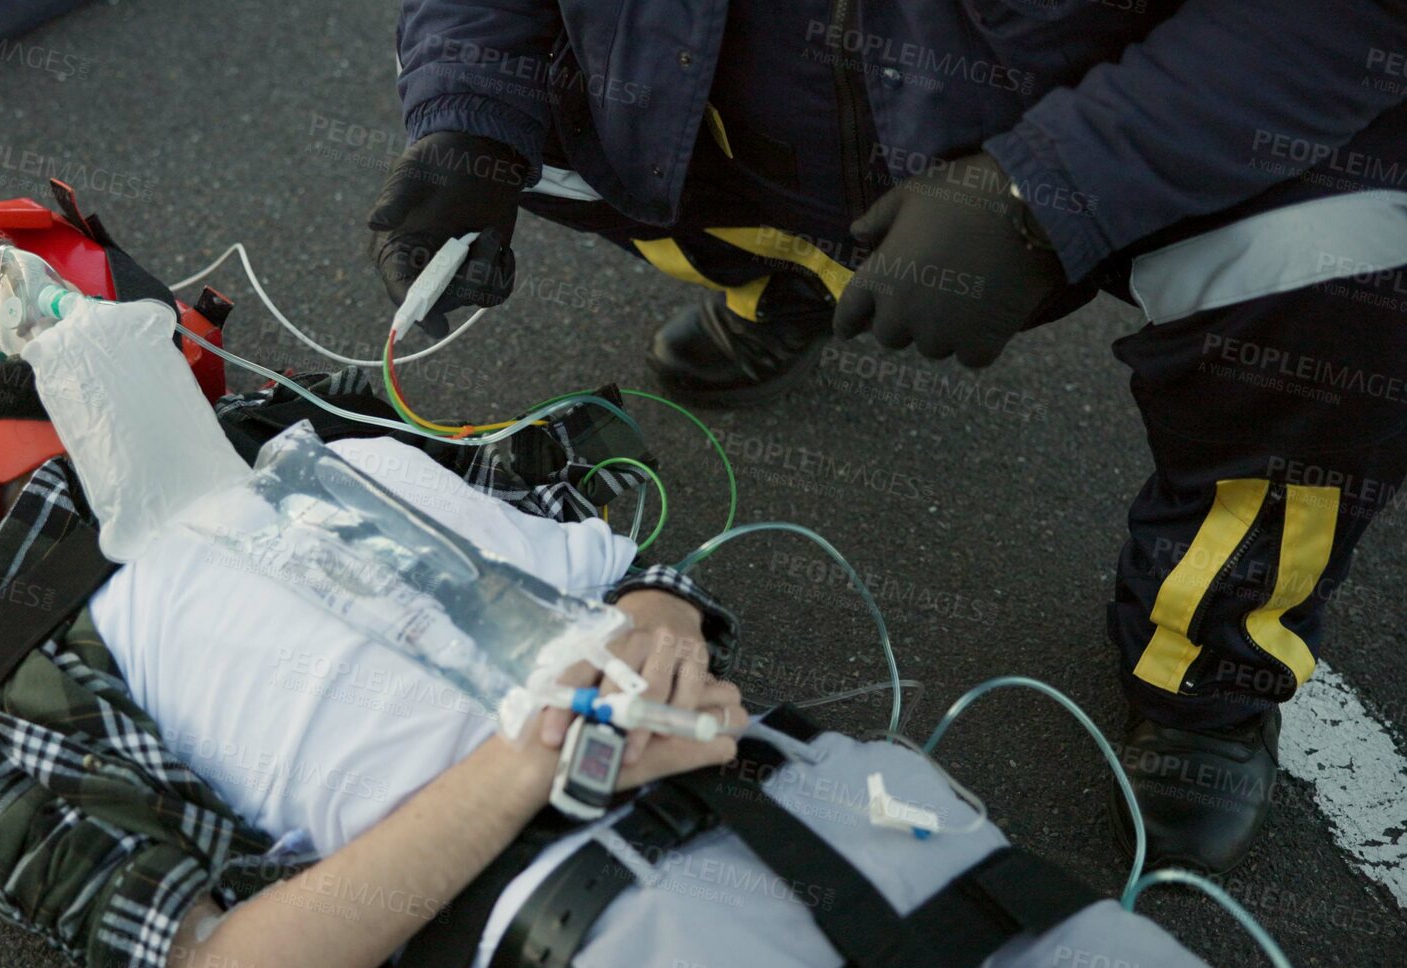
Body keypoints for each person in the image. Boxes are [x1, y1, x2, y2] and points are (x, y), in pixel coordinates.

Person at [0, 235, 1275, 968]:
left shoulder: (314, 418)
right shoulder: (10, 650)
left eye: (32, 263)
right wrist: (530, 757)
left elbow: (599, 498)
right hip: (594, 951)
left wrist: (655, 610)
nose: (29, 296)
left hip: (838, 811)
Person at [367, 0, 1407, 875]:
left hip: (1108, 102)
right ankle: (798, 278)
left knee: (1343, 266)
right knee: (530, 112)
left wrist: (1048, 191)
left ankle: (1209, 665)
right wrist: (470, 113)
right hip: (731, 100)